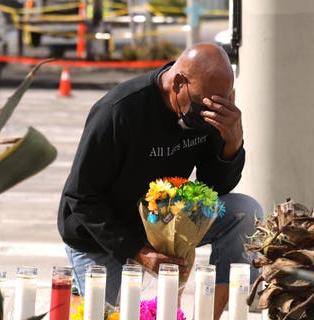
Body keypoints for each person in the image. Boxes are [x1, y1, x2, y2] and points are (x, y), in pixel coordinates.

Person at [57, 43, 263, 319]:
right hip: (103, 234)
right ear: (179, 83)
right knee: (111, 314)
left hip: (166, 222)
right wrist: (138, 252)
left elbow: (215, 188)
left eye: (220, 104)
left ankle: (213, 314)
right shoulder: (118, 111)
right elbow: (81, 198)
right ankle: (80, 292)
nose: (207, 115)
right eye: (203, 105)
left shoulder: (206, 109)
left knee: (244, 211)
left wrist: (232, 145)